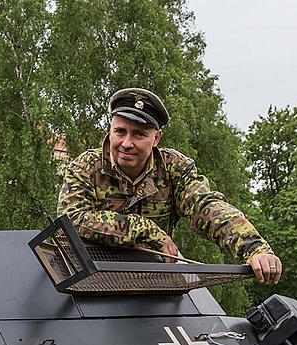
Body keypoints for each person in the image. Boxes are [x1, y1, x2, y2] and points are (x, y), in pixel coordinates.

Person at [57, 88, 282, 283]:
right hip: (84, 277)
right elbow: (72, 219)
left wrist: (254, 249)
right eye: (120, 132)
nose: (127, 143)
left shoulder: (174, 168)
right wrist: (146, 231)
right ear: (110, 130)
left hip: (152, 280)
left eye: (139, 134)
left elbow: (207, 207)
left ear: (156, 138)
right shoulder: (86, 167)